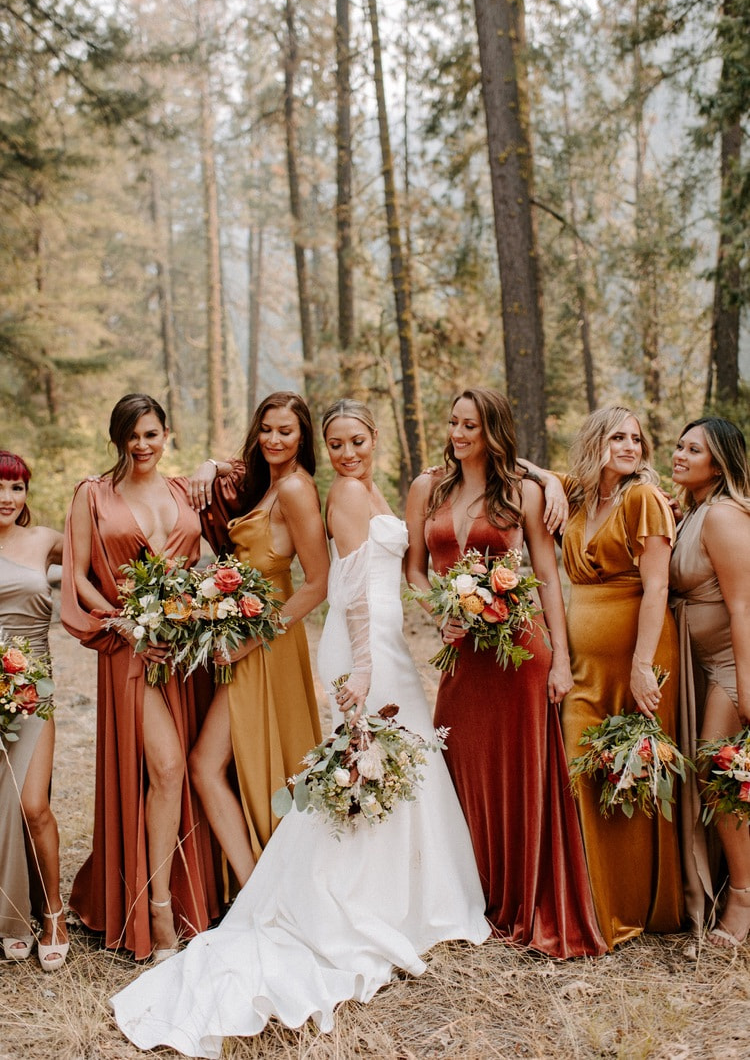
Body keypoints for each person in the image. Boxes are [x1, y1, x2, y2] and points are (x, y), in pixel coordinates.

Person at [110, 397, 490, 1056]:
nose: (346, 452)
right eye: (336, 443)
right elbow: (344, 585)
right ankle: (300, 889)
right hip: (353, 647)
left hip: (366, 646)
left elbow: (355, 578)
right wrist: (209, 465)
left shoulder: (350, 489)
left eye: (355, 441)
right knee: (372, 764)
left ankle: (388, 890)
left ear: (373, 438)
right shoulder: (327, 489)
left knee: (392, 765)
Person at [405, 388, 606, 959]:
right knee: (460, 766)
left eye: (470, 425)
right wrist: (439, 610)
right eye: (453, 421)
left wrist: (560, 658)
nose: (458, 433)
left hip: (520, 652)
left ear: (493, 431)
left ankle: (522, 898)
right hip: (463, 653)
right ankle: (470, 894)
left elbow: (546, 573)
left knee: (520, 774)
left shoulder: (523, 492)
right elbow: (414, 570)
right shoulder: (428, 488)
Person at [61, 394, 220, 961]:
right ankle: (156, 910)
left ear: (166, 434)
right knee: (168, 767)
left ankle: (181, 893)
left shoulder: (185, 490)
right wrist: (125, 624)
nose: (142, 444)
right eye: (132, 434)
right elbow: (79, 575)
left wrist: (211, 466)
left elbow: (258, 465)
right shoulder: (92, 494)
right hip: (130, 650)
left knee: (174, 774)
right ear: (117, 438)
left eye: (151, 433)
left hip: (181, 652)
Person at [553, 405, 683, 950]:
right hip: (583, 667)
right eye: (617, 437)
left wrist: (641, 667)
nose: (630, 446)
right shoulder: (578, 496)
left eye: (636, 438)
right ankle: (591, 906)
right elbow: (522, 469)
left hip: (639, 656)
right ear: (594, 442)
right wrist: (547, 481)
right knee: (578, 762)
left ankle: (631, 906)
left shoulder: (642, 498)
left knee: (632, 773)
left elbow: (657, 587)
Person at [186, 391, 328, 885]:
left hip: (268, 641)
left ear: (302, 436)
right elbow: (237, 465)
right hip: (251, 635)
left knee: (207, 765)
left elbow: (318, 583)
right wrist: (209, 465)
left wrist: (249, 642)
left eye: (285, 431)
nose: (273, 439)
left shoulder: (295, 489)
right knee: (218, 764)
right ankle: (259, 887)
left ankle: (262, 889)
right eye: (266, 429)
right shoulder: (270, 481)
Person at [670, 416, 750, 945]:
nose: (680, 454)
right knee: (716, 771)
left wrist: (747, 684)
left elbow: (743, 605)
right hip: (699, 664)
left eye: (693, 450)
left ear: (718, 465)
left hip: (729, 664)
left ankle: (743, 897)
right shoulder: (695, 510)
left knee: (717, 769)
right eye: (679, 445)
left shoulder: (722, 515)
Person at [0, 452, 69, 970]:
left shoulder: (44, 540)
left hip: (32, 691)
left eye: (16, 487)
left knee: (33, 805)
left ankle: (54, 913)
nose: (7, 498)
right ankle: (11, 917)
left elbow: (108, 542)